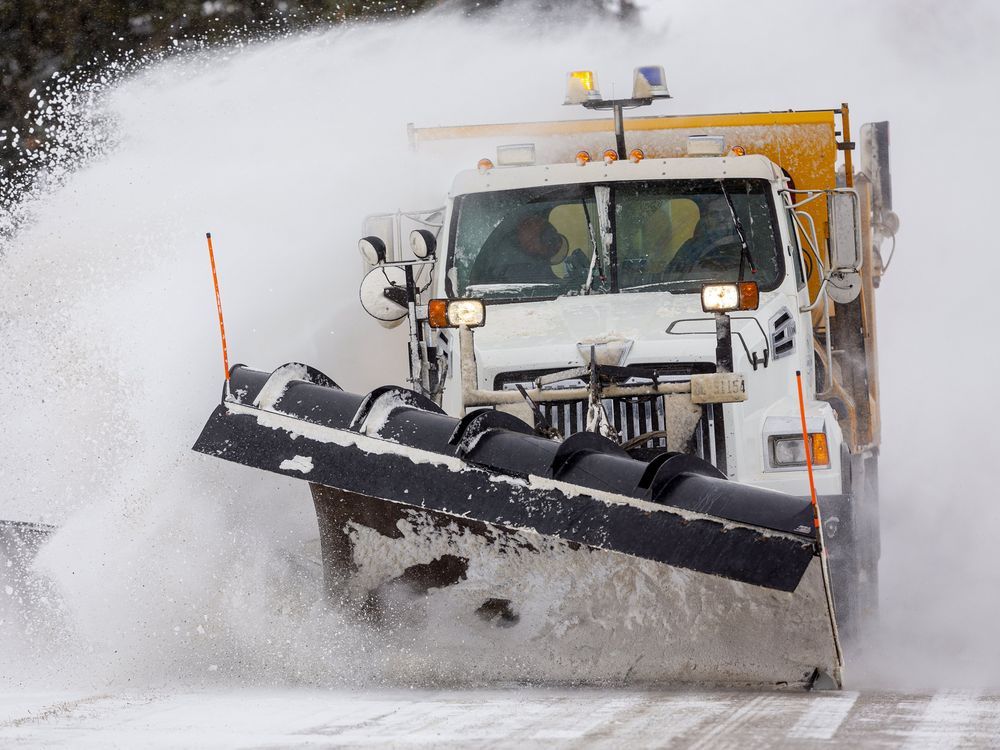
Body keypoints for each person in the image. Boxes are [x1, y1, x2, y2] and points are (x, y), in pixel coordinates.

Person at [469, 213, 567, 287]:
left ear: (530, 247)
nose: (537, 222)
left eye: (532, 242)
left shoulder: (529, 274)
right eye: (544, 225)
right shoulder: (499, 242)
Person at [664, 196, 744, 279]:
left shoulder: (747, 246)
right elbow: (670, 276)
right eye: (714, 214)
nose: (721, 218)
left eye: (726, 213)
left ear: (736, 218)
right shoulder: (690, 247)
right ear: (707, 219)